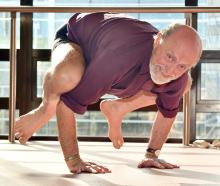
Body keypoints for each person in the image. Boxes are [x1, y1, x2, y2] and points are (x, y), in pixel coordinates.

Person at [15, 12, 202, 174]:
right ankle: (44, 109)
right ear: (158, 40)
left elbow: (167, 113)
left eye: (182, 66)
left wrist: (152, 154)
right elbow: (66, 104)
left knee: (183, 85)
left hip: (113, 54)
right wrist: (74, 159)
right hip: (77, 38)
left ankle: (118, 107)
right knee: (67, 77)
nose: (171, 70)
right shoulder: (118, 57)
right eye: (170, 57)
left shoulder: (179, 76)